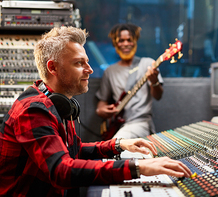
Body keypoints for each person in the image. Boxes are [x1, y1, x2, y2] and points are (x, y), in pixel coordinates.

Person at [0, 26, 191, 197]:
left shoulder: (58, 104)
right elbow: (61, 170)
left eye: (87, 62)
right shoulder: (33, 110)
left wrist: (118, 144)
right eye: (78, 63)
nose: (90, 70)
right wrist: (138, 166)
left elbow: (74, 150)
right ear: (53, 68)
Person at [96, 23, 163, 139]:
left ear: (135, 42)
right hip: (118, 124)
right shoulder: (109, 71)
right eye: (121, 40)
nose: (125, 44)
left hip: (140, 122)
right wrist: (101, 111)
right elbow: (102, 101)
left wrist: (154, 81)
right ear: (115, 44)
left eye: (129, 40)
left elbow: (158, 96)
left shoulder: (148, 64)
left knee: (115, 146)